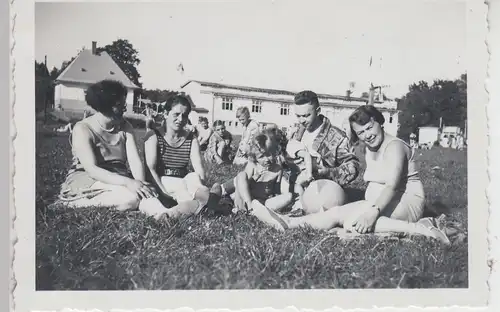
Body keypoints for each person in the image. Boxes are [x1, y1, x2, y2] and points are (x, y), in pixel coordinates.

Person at [248, 105, 450, 244]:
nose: (367, 135)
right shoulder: (371, 148)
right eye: (361, 133)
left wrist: (372, 213)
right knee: (337, 213)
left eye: (369, 128)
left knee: (353, 220)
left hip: (404, 202)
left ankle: (423, 230)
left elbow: (393, 186)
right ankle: (288, 223)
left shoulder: (395, 146)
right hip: (382, 203)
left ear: (379, 122)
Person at [58, 80, 200, 220]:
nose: (125, 108)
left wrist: (141, 184)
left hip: (119, 179)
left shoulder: (125, 127)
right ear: (105, 106)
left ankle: (164, 215)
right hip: (89, 180)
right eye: (120, 105)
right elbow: (92, 170)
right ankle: (76, 204)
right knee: (131, 197)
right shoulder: (83, 128)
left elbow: (135, 162)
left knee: (141, 193)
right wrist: (128, 183)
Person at [282, 90, 360, 214]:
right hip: (293, 186)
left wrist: (327, 172)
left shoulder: (336, 137)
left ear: (318, 111)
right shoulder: (296, 132)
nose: (301, 120)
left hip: (322, 190)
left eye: (306, 115)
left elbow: (353, 167)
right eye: (298, 116)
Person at [143, 94, 222, 213]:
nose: (180, 119)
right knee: (183, 189)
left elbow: (199, 170)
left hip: (184, 179)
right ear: (165, 114)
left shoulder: (191, 138)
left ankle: (205, 199)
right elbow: (151, 171)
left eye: (184, 116)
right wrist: (164, 194)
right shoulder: (154, 136)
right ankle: (207, 203)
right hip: (162, 181)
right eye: (176, 114)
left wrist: (198, 183)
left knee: (194, 178)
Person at [232, 128, 293, 213]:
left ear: (274, 152)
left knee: (289, 196)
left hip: (263, 202)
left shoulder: (278, 169)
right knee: (241, 175)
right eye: (261, 157)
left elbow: (277, 191)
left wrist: (276, 198)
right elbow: (243, 184)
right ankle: (250, 209)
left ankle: (259, 210)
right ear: (255, 157)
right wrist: (256, 176)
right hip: (246, 201)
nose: (266, 159)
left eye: (269, 155)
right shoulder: (253, 166)